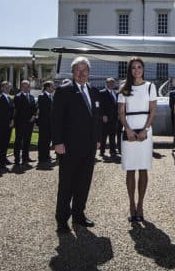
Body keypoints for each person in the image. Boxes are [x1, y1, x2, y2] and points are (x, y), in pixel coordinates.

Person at [51, 56, 103, 233]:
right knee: (66, 184)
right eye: (78, 70)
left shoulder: (94, 91)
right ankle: (61, 219)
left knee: (83, 182)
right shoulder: (64, 91)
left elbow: (96, 119)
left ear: (89, 72)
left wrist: (97, 139)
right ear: (73, 72)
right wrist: (57, 142)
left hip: (89, 147)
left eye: (84, 70)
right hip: (69, 146)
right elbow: (56, 119)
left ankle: (79, 214)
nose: (81, 74)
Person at [118, 57, 159, 222]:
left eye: (139, 67)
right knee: (130, 169)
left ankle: (140, 204)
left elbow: (153, 111)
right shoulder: (124, 88)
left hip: (144, 129)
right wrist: (127, 129)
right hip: (128, 129)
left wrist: (145, 129)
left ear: (143, 69)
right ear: (130, 70)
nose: (136, 70)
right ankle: (131, 205)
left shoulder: (150, 87)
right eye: (133, 68)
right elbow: (121, 112)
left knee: (143, 168)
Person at [0, 81, 16, 171]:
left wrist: (12, 120)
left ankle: (4, 158)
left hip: (9, 124)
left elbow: (12, 111)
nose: (8, 88)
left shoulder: (10, 99)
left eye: (9, 87)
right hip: (2, 124)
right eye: (6, 87)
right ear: (2, 88)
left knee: (6, 143)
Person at [13, 80, 38, 165]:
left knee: (27, 141)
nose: (26, 88)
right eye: (24, 86)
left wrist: (33, 116)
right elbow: (17, 111)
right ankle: (16, 159)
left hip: (30, 122)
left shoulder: (31, 97)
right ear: (21, 87)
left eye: (28, 86)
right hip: (20, 123)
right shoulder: (17, 97)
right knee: (18, 141)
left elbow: (34, 108)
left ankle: (25, 157)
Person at [98, 77, 121, 160]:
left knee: (112, 135)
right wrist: (103, 115)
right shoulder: (102, 93)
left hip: (114, 118)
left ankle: (112, 151)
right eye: (110, 83)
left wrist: (118, 114)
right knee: (103, 136)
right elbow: (100, 105)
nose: (111, 84)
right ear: (106, 83)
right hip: (105, 118)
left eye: (113, 83)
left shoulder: (115, 93)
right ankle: (102, 151)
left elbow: (116, 105)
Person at [36, 80, 55, 165]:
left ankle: (46, 155)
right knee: (43, 140)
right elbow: (42, 111)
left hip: (50, 123)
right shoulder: (42, 96)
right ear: (47, 87)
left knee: (48, 140)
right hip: (44, 122)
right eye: (52, 86)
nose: (53, 88)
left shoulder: (51, 96)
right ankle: (42, 157)